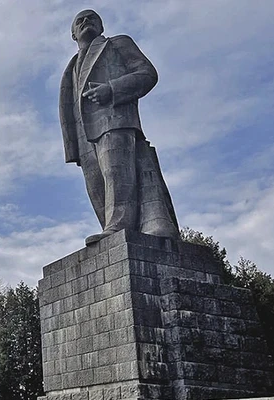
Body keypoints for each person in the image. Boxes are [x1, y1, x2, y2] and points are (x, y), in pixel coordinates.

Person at [59, 9, 179, 245]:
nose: (86, 21)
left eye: (92, 18)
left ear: (101, 27)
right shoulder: (70, 68)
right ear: (73, 34)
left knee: (116, 174)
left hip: (115, 120)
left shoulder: (117, 44)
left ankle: (118, 227)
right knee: (97, 187)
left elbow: (147, 74)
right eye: (80, 20)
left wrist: (112, 89)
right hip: (83, 137)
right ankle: (111, 229)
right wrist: (73, 146)